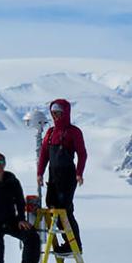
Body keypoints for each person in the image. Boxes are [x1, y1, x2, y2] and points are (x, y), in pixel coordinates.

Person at [37, 99, 87, 254]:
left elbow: (82, 154)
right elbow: (44, 155)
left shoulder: (74, 132)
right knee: (52, 207)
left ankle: (75, 245)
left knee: (65, 210)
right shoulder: (50, 133)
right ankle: (67, 243)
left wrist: (79, 173)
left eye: (58, 112)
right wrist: (40, 173)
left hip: (67, 176)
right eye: (53, 113)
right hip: (53, 176)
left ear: (65, 113)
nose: (56, 115)